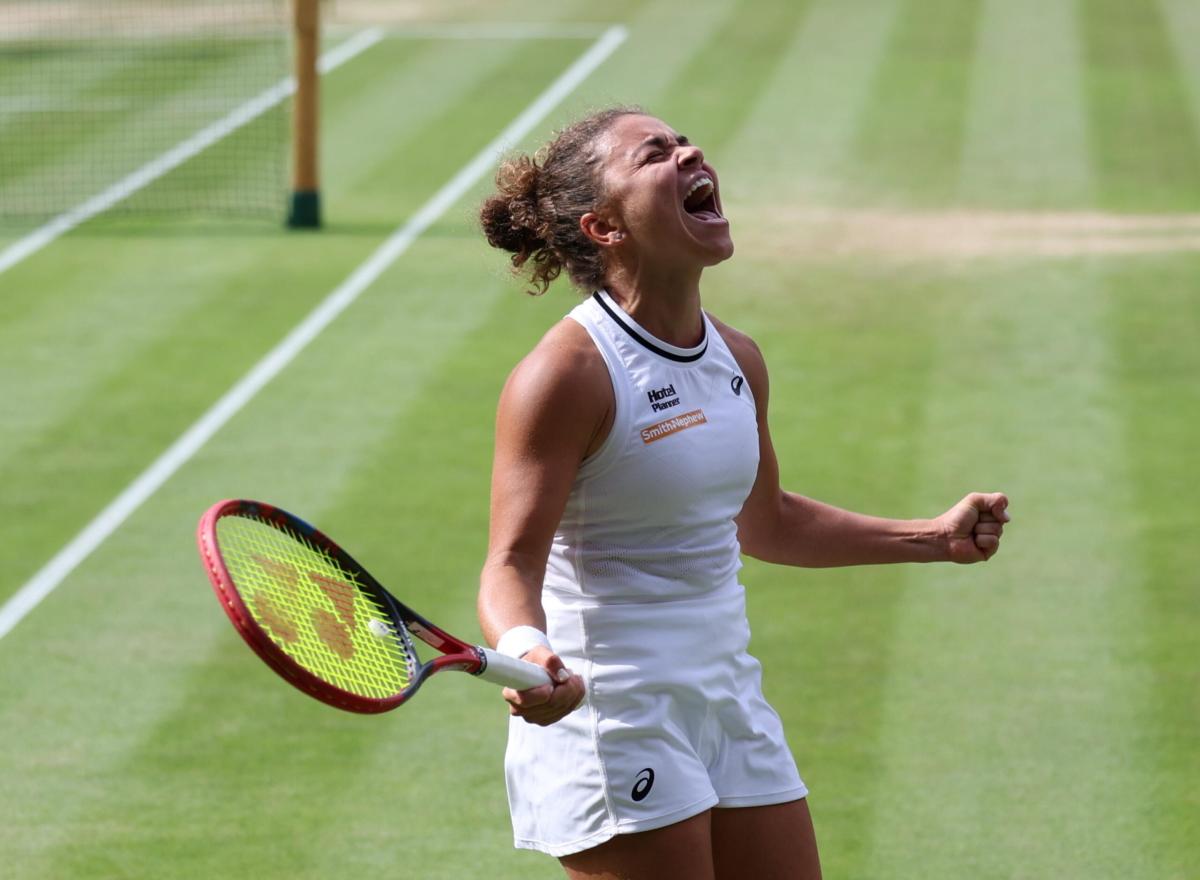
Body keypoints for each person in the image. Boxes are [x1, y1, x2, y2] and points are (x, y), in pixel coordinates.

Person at [476, 107, 1009, 880]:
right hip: (614, 713)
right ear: (604, 228)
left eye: (684, 140)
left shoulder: (736, 358)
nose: (689, 150)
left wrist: (932, 537)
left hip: (726, 696)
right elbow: (509, 563)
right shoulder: (567, 375)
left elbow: (766, 522)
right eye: (654, 153)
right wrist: (527, 651)